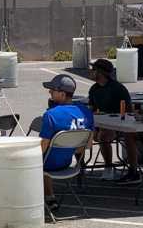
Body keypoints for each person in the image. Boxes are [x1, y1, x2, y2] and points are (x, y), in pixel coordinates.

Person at [40, 74, 93, 210]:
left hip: (48, 165)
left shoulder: (51, 115)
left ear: (62, 94)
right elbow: (87, 146)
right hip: (68, 163)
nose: (49, 92)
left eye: (53, 90)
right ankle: (49, 197)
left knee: (37, 160)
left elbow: (42, 147)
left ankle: (48, 197)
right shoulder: (86, 113)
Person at [88, 59, 137, 180]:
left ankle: (124, 169)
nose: (90, 72)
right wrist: (93, 127)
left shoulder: (118, 88)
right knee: (93, 135)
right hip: (104, 124)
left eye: (93, 70)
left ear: (101, 72)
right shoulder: (94, 89)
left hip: (121, 124)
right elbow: (92, 110)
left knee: (107, 136)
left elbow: (129, 111)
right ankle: (104, 167)